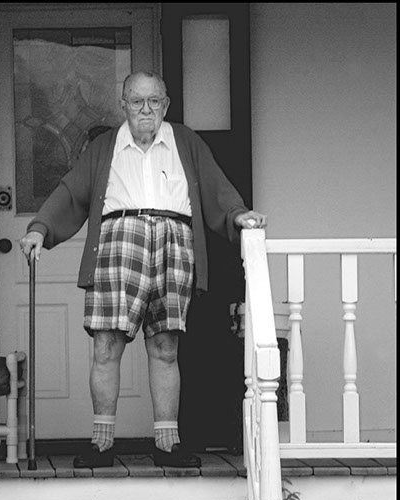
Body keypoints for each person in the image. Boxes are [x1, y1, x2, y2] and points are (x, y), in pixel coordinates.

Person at [19, 71, 267, 469]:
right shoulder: (105, 148)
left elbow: (218, 189)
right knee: (106, 345)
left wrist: (238, 215)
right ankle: (102, 443)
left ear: (166, 105)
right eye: (137, 102)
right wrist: (40, 229)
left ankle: (167, 443)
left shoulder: (186, 142)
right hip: (119, 243)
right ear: (123, 106)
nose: (146, 109)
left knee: (166, 347)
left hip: (175, 243)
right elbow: (71, 193)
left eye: (154, 101)